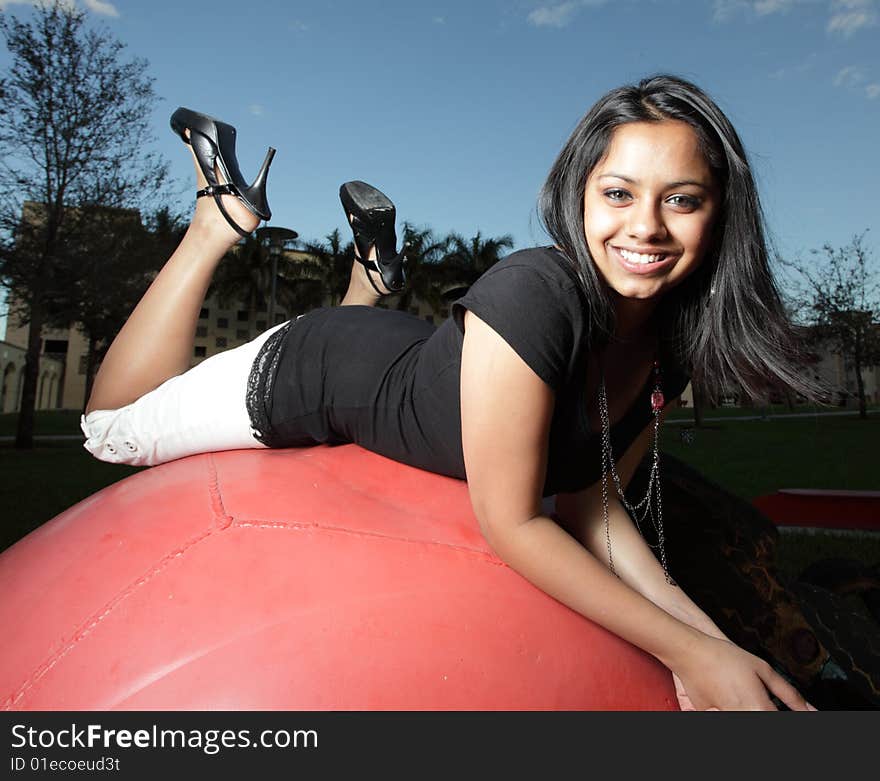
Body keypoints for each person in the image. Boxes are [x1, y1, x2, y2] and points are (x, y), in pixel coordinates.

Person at [82, 75, 820, 711]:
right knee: (107, 428)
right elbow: (514, 524)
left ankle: (366, 285)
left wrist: (713, 647)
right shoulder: (535, 292)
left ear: (722, 213)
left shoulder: (671, 337)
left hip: (405, 355)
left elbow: (591, 503)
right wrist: (686, 653)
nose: (645, 226)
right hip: (313, 371)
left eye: (682, 199)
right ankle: (216, 220)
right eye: (619, 192)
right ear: (580, 193)